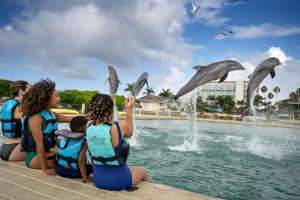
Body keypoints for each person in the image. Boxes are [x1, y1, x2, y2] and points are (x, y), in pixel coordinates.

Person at [86, 94, 149, 190]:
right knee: (143, 172)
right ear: (110, 111)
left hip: (98, 179)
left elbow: (104, 126)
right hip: (119, 180)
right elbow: (130, 133)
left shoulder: (89, 126)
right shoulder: (118, 126)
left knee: (131, 169)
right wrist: (128, 110)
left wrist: (108, 104)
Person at [20, 79, 73, 175]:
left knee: (72, 154)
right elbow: (39, 145)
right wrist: (45, 169)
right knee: (71, 158)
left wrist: (91, 119)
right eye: (56, 96)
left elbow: (70, 119)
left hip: (47, 154)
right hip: (34, 158)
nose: (59, 98)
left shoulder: (52, 114)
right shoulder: (36, 118)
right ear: (46, 98)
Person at [55, 116, 93, 183]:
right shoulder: (84, 141)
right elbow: (80, 160)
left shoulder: (65, 137)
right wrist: (85, 178)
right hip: (73, 172)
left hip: (59, 170)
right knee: (93, 167)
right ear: (83, 127)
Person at [0, 80, 31, 161]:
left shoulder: (6, 104)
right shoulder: (21, 107)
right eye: (29, 89)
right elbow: (29, 128)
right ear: (21, 91)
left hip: (4, 147)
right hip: (16, 148)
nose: (32, 92)